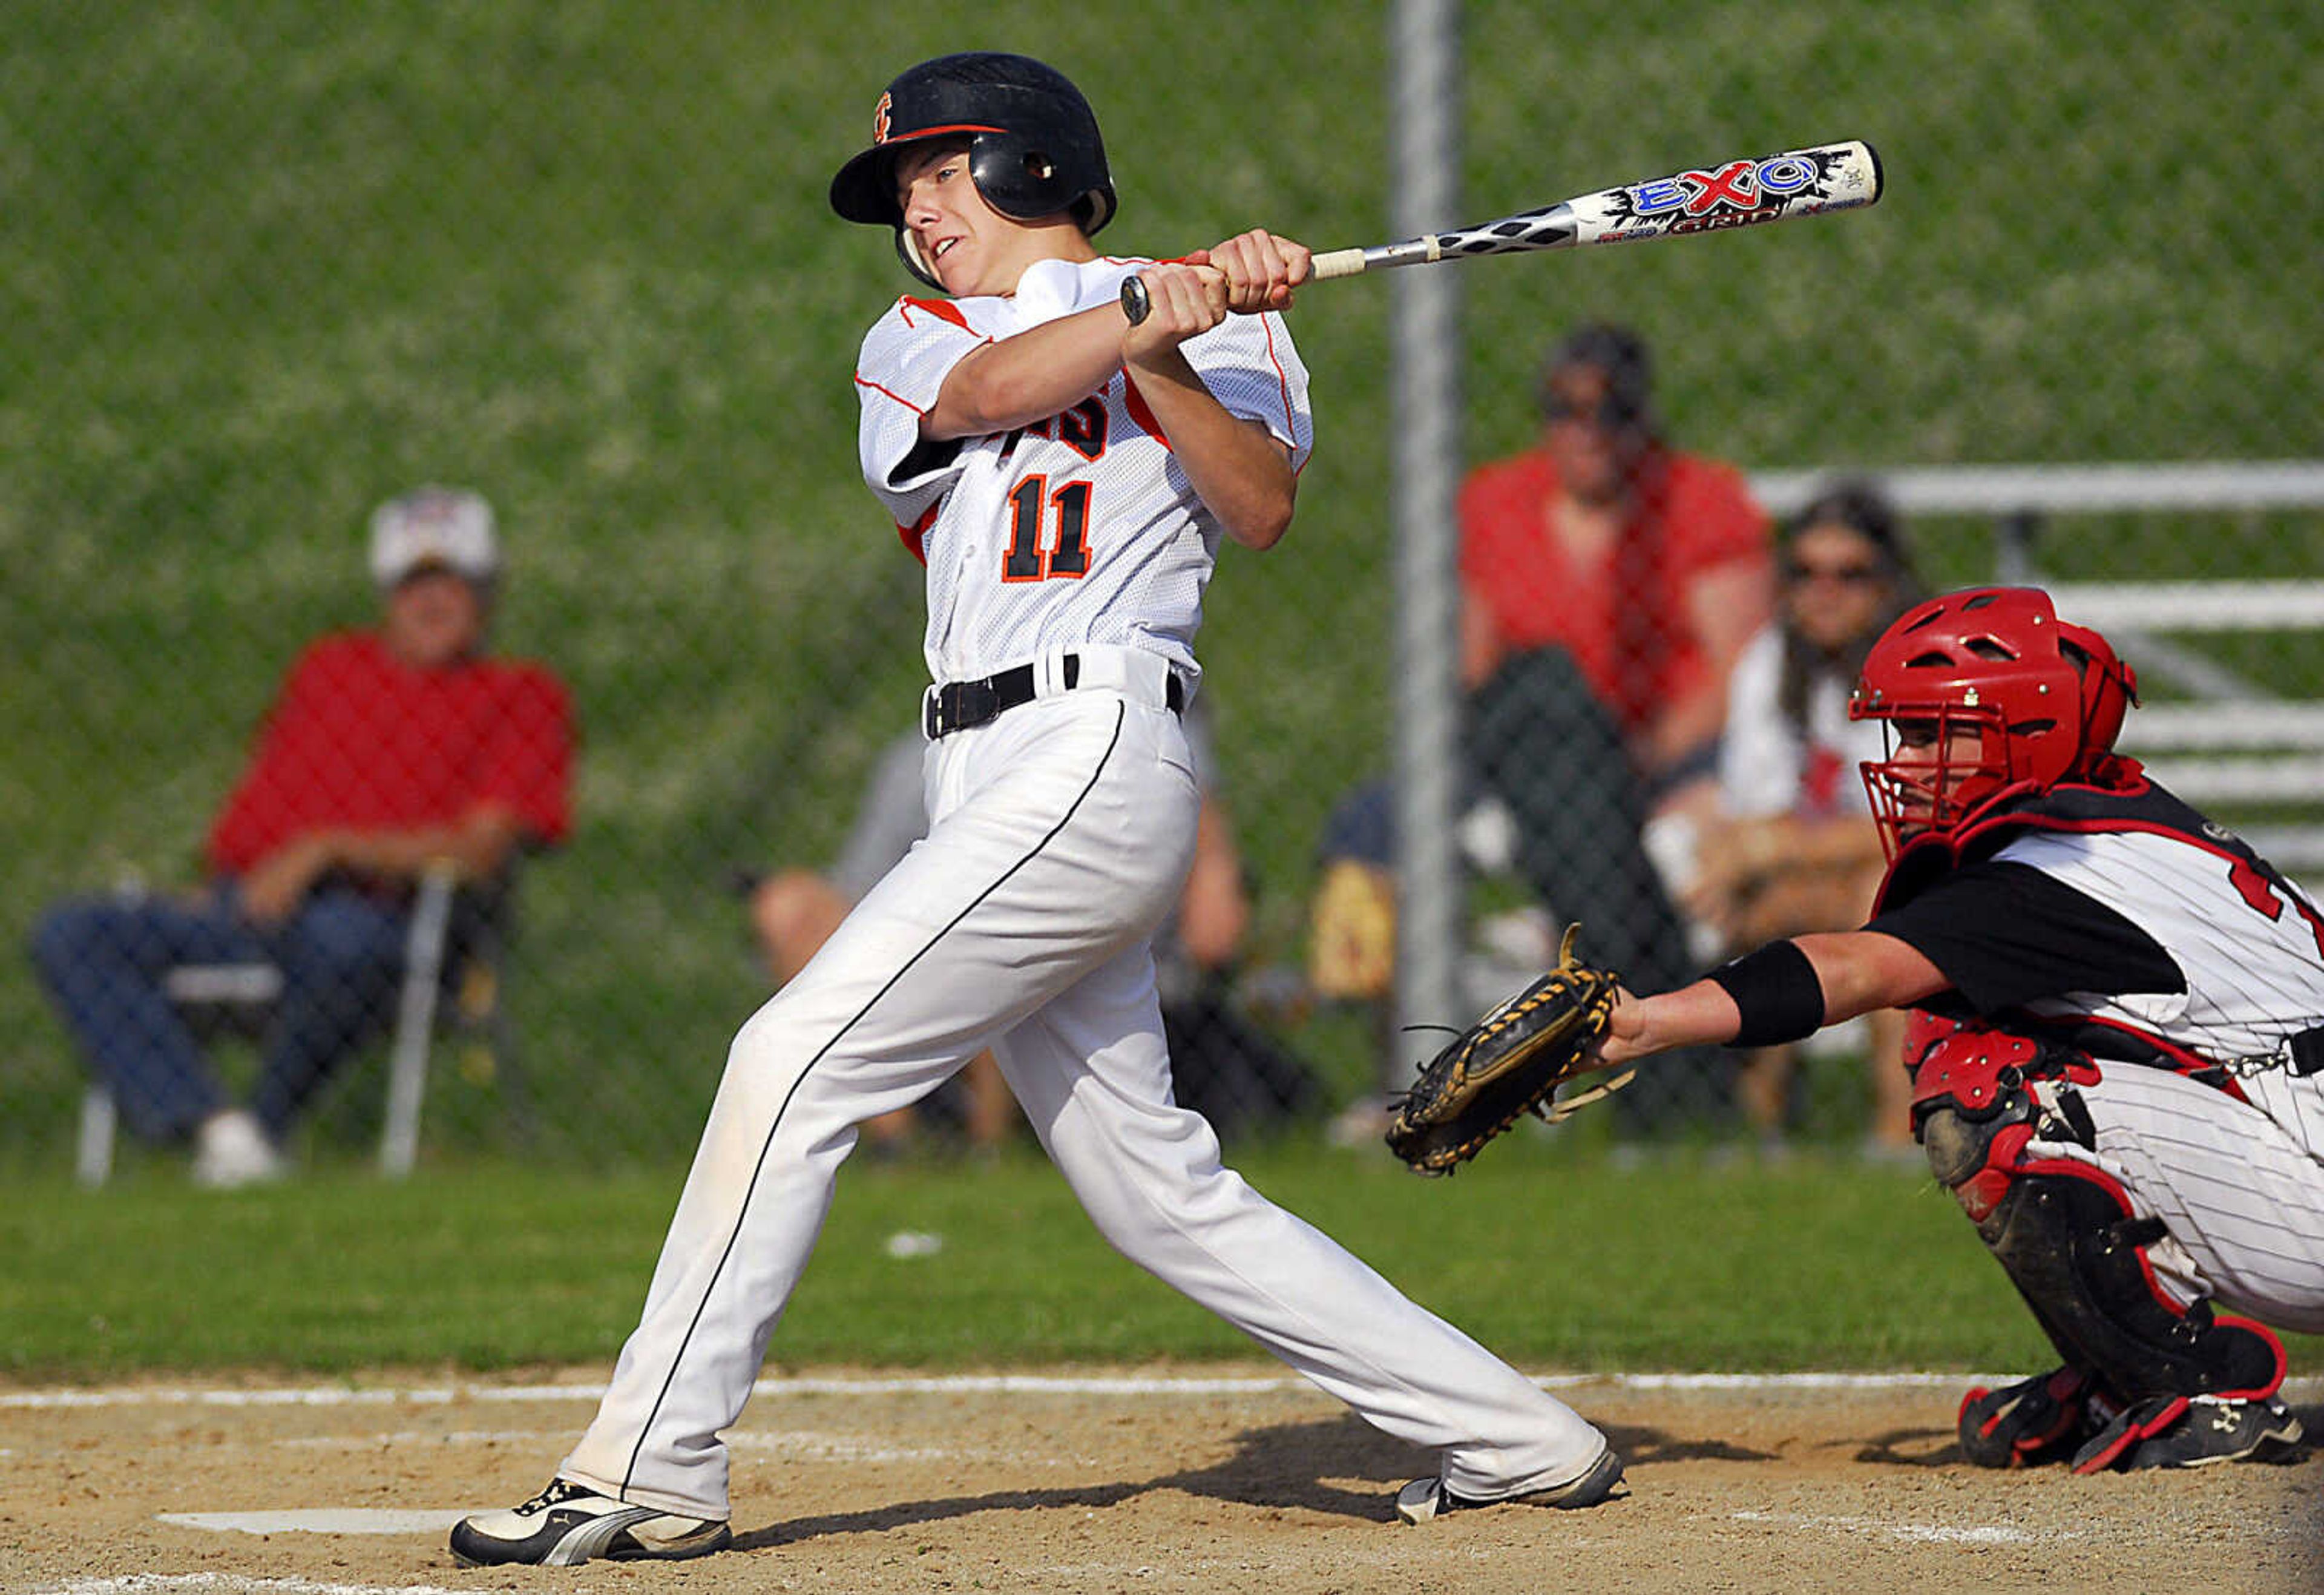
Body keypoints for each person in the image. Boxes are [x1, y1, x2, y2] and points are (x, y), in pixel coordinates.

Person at [450, 51, 1621, 1568]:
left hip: (1094, 746)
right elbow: (990, 391)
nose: (921, 211)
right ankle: (1519, 1437)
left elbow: (1256, 506)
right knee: (1156, 1192)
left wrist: (1182, 343)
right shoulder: (904, 337)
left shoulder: (1222, 316)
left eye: (944, 173)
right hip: (980, 774)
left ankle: (650, 1460)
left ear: (1033, 165)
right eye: (904, 191)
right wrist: (1141, 310)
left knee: (788, 1056)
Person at [1591, 585, 2317, 1472]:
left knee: (1984, 1079)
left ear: (2029, 727)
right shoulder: (2115, 811)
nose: (1907, 757)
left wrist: (1646, 1021)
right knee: (2000, 1044)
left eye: (1937, 731)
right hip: (2289, 1129)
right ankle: (2119, 1369)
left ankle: (2193, 1381)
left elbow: (1853, 969)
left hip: (2303, 1164)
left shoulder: (2059, 866)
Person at [30, 488, 576, 1187]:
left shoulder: (521, 695)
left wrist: (329, 849)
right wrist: (218, 888)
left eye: (454, 582)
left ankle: (264, 1125)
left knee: (345, 941)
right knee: (75, 934)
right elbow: (250, 834)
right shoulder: (331, 672)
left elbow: (479, 850)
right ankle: (215, 1130)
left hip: (390, 925)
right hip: (254, 909)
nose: (432, 601)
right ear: (386, 592)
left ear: (488, 593)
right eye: (414, 583)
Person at [749, 708, 1314, 1149]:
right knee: (824, 913)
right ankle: (894, 1147)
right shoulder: (926, 751)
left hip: (1107, 964)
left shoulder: (1148, 727)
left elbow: (1216, 925)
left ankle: (989, 1146)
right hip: (958, 961)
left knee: (989, 921)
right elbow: (859, 890)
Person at [1681, 481, 1923, 1156]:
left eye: (1851, 575)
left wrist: (1763, 848)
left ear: (1889, 582)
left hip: (1917, 878)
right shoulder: (1771, 661)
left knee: (1885, 894)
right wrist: (1754, 852)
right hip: (1814, 881)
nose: (1825, 592)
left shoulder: (1917, 670)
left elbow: (1910, 826)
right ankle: (1752, 1131)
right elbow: (1754, 815)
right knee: (1758, 907)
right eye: (1805, 573)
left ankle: (1898, 1130)